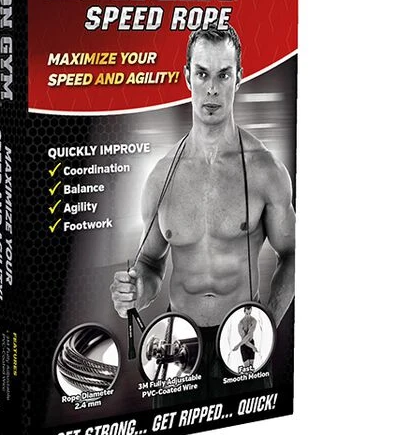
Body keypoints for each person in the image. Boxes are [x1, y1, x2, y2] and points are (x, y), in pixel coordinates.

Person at [110, 24, 295, 398]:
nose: (212, 89)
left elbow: (294, 253)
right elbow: (149, 263)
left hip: (243, 340)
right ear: (187, 77)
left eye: (223, 75)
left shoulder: (265, 170)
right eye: (202, 74)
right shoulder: (161, 176)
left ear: (239, 78)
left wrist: (268, 322)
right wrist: (136, 290)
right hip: (178, 344)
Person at [232, 306, 258, 372]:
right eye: (247, 314)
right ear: (244, 312)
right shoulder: (240, 323)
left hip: (251, 342)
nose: (248, 316)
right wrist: (253, 347)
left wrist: (238, 345)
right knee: (247, 369)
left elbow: (249, 335)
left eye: (250, 313)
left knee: (251, 368)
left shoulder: (254, 320)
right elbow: (244, 339)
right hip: (244, 345)